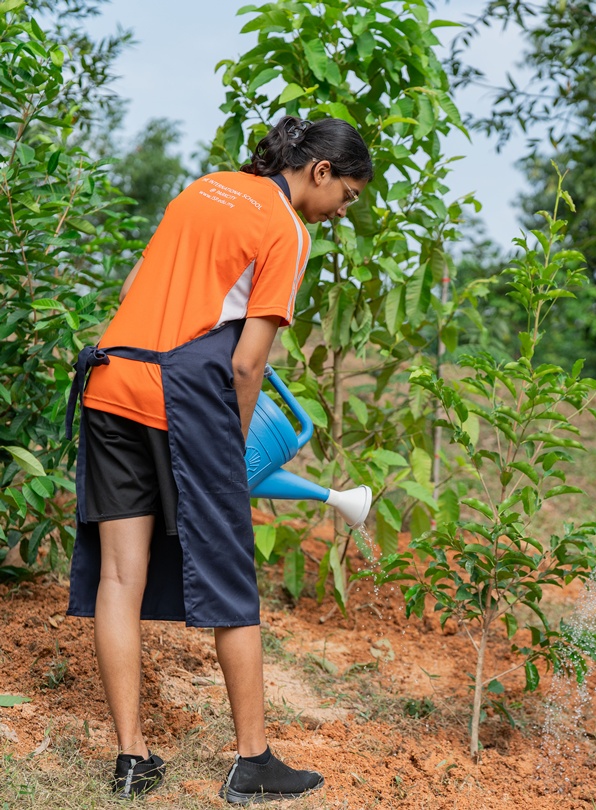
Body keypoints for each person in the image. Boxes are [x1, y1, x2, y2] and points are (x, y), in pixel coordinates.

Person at [64, 116, 373, 803]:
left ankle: (132, 758)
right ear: (320, 171)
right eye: (347, 196)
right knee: (231, 570)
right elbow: (247, 360)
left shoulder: (206, 187)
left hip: (111, 380)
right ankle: (253, 760)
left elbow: (133, 288)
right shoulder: (288, 229)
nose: (342, 212)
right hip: (183, 397)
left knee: (120, 575)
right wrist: (229, 447)